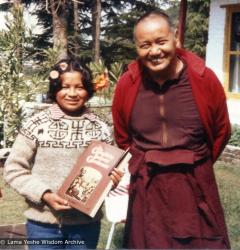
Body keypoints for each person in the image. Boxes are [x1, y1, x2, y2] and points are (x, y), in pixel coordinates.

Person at [112, 10, 231, 249]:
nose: (154, 51)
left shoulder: (203, 79)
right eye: (145, 45)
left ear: (175, 38)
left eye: (161, 42)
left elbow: (221, 131)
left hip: (195, 182)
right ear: (137, 48)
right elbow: (122, 135)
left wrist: (197, 164)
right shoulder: (128, 82)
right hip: (147, 185)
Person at [4, 57, 123, 249]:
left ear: (89, 90)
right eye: (65, 86)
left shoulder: (100, 127)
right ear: (55, 89)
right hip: (43, 225)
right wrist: (44, 194)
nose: (72, 93)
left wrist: (112, 180)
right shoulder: (36, 124)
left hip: (85, 226)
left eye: (80, 87)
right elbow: (14, 168)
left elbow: (107, 170)